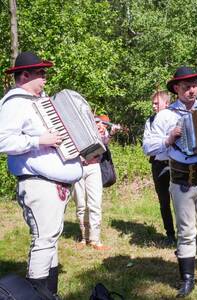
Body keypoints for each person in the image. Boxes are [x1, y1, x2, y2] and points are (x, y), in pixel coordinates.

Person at [0, 51, 83, 299]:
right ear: (25, 75)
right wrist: (39, 140)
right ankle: (35, 295)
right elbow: (2, 140)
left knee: (50, 239)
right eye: (41, 74)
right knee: (43, 240)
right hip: (38, 183)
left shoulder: (38, 102)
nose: (45, 79)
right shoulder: (15, 102)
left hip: (53, 183)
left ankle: (50, 293)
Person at [143, 66, 197, 297]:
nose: (191, 91)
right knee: (186, 230)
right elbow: (148, 147)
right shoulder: (165, 116)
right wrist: (168, 139)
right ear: (176, 89)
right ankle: (187, 280)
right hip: (180, 179)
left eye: (194, 86)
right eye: (186, 87)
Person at [73, 114, 111, 251]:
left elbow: (105, 143)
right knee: (81, 205)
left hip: (94, 167)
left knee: (95, 203)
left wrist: (103, 131)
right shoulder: (72, 126)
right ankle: (84, 238)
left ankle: (95, 239)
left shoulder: (98, 128)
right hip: (76, 167)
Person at [142, 90, 176, 245]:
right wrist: (164, 141)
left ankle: (185, 234)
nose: (154, 106)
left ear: (167, 103)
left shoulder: (176, 118)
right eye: (153, 103)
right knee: (164, 201)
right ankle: (170, 234)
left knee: (180, 201)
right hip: (158, 165)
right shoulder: (150, 121)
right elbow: (147, 145)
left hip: (176, 165)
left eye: (157, 103)